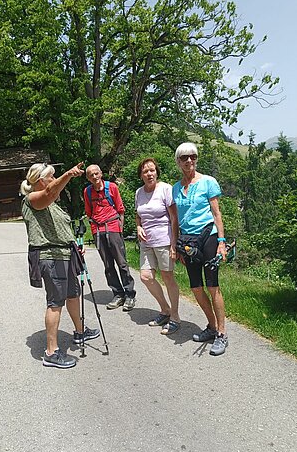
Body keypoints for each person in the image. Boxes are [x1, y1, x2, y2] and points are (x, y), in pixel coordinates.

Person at [20, 162, 100, 369]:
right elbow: (48, 192)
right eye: (52, 176)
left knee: (73, 294)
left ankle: (80, 331)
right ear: (40, 180)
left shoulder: (53, 204)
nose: (55, 179)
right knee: (55, 302)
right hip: (50, 255)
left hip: (65, 254)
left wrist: (72, 244)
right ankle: (51, 352)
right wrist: (68, 175)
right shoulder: (32, 200)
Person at [172, 142, 228, 356]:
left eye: (193, 157)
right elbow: (175, 220)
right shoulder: (176, 188)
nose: (189, 161)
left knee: (213, 286)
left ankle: (222, 334)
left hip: (208, 238)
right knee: (196, 288)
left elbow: (216, 214)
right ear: (178, 161)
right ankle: (212, 326)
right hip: (188, 242)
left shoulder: (208, 182)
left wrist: (221, 242)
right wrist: (176, 246)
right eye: (185, 157)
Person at [135, 158, 180, 335]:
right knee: (146, 276)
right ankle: (165, 309)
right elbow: (138, 215)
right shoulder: (139, 192)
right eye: (145, 171)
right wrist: (138, 226)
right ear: (141, 175)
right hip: (146, 242)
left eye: (152, 170)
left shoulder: (165, 189)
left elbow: (174, 218)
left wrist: (174, 244)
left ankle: (175, 317)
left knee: (168, 278)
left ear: (157, 172)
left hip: (164, 240)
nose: (149, 174)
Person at [84, 164, 136, 311]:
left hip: (113, 227)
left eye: (96, 173)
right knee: (108, 265)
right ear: (88, 178)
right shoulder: (87, 192)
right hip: (97, 230)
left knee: (122, 263)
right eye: (91, 175)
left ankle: (130, 294)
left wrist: (120, 229)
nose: (94, 177)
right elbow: (89, 212)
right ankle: (118, 294)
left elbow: (120, 209)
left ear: (101, 173)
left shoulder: (112, 187)